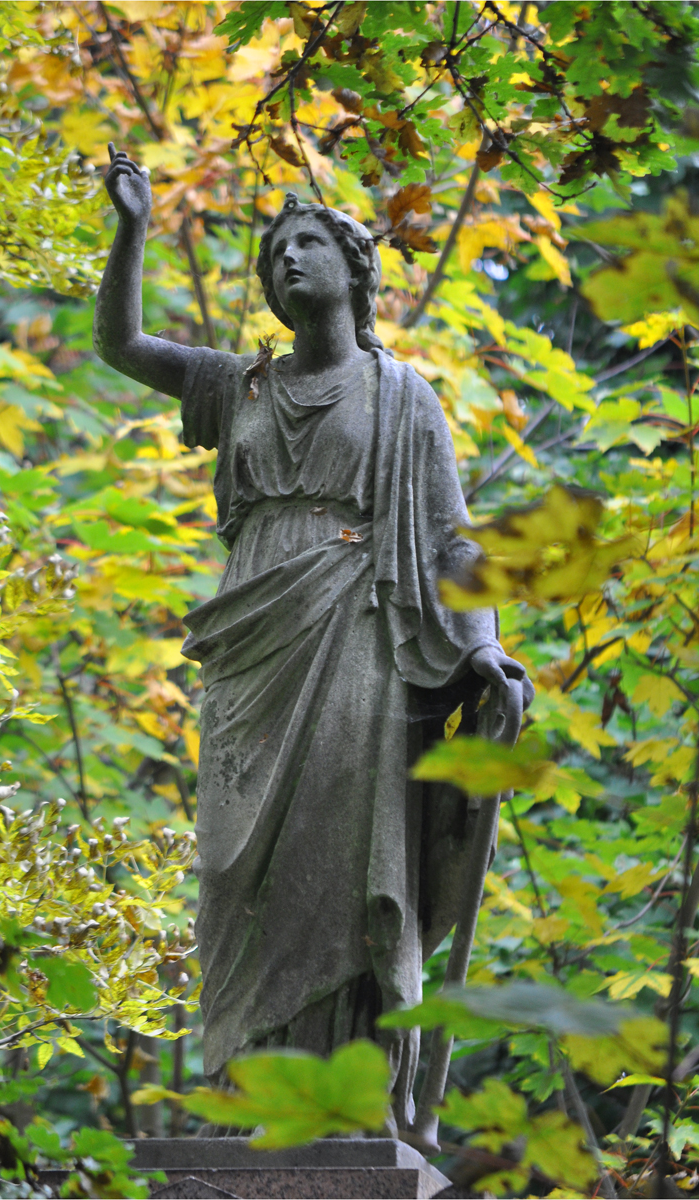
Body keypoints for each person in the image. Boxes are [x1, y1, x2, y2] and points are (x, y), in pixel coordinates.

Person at [94, 146, 534, 1131]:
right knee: (229, 869)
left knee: (339, 866)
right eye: (275, 250)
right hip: (252, 648)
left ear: (352, 269)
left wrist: (480, 647)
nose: (288, 258)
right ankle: (239, 1094)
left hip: (355, 635)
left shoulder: (401, 395)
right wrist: (130, 234)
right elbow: (122, 347)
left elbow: (452, 534)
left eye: (308, 243)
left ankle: (337, 1099)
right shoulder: (235, 384)